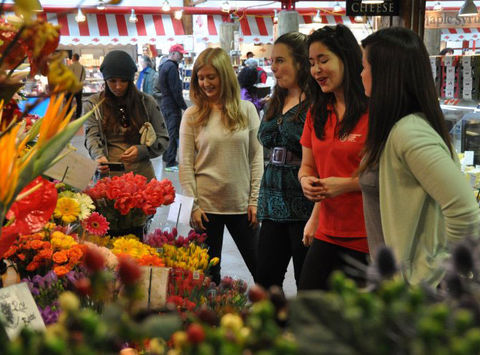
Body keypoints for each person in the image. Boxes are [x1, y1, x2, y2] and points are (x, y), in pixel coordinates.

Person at [359, 27, 480, 286]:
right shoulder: (400, 129)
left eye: (364, 67)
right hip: (398, 281)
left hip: (417, 288)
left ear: (384, 73)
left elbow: (465, 211)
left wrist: (438, 273)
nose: (361, 75)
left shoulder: (410, 132)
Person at [179, 47, 264, 285]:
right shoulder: (192, 115)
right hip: (205, 208)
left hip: (242, 205)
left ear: (224, 76)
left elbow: (257, 157)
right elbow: (185, 162)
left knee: (263, 271)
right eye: (200, 77)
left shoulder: (246, 110)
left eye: (211, 77)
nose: (205, 83)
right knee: (205, 277)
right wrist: (193, 205)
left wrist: (255, 199)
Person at [297, 25, 369, 291]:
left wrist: (345, 184)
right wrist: (306, 181)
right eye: (312, 63)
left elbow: (386, 176)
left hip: (367, 235)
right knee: (308, 310)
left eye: (323, 60)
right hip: (327, 229)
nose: (316, 70)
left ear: (347, 58)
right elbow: (307, 166)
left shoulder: (374, 111)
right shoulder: (318, 110)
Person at [256, 32, 314, 291]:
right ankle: (271, 329)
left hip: (304, 200)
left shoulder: (318, 102)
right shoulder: (275, 98)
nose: (274, 67)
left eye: (280, 60)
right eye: (272, 61)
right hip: (271, 197)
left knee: (306, 280)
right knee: (266, 279)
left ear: (300, 63)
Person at [84, 50, 169, 181]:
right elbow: (91, 137)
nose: (118, 86)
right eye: (112, 81)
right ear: (105, 80)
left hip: (142, 178)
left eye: (123, 81)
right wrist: (98, 156)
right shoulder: (93, 105)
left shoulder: (147, 103)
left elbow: (163, 140)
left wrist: (142, 151)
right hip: (109, 179)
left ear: (131, 80)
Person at [155, 44, 188, 172]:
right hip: (172, 105)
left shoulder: (163, 66)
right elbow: (175, 90)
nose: (182, 56)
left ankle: (166, 157)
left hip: (165, 103)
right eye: (180, 54)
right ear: (173, 53)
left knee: (168, 132)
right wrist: (184, 106)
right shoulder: (172, 68)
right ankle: (171, 162)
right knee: (173, 133)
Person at [67, 53, 86, 119]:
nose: (71, 58)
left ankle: (68, 115)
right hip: (79, 87)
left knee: (68, 101)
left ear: (74, 58)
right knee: (79, 101)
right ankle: (78, 115)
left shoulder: (71, 66)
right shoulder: (82, 67)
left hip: (72, 87)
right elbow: (84, 77)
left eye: (72, 57)